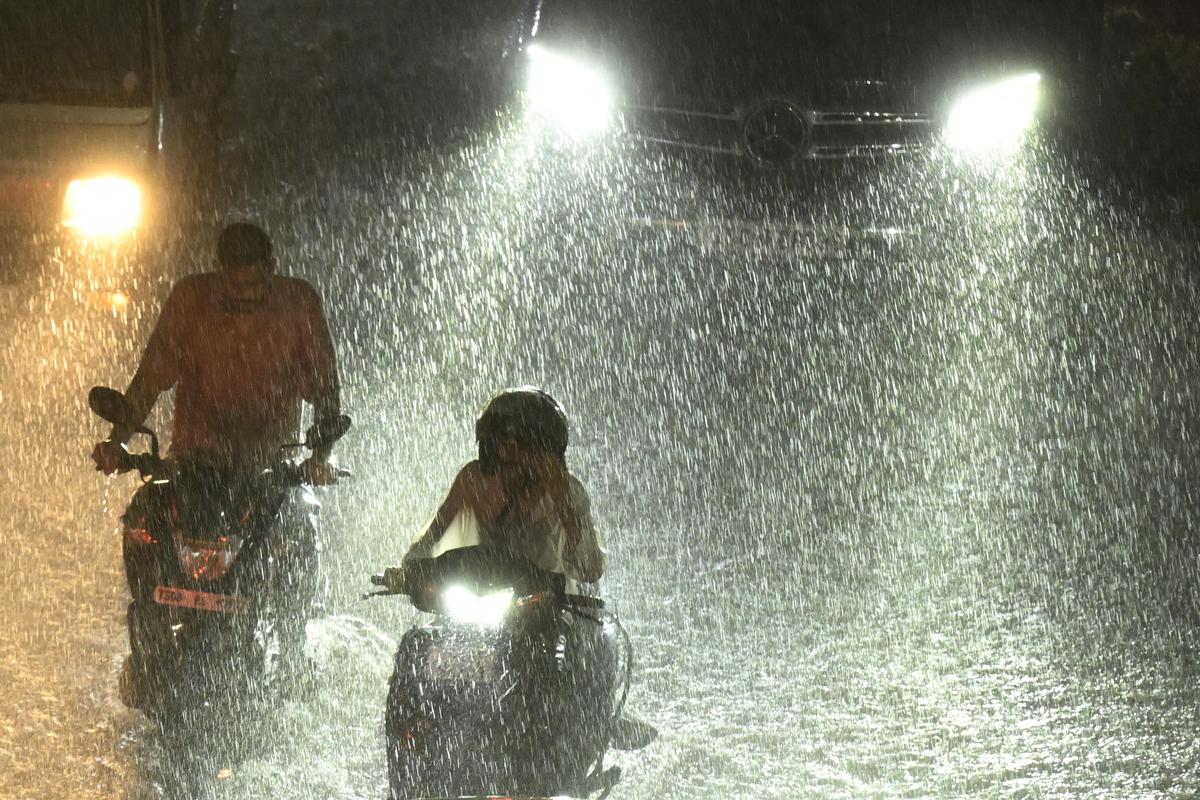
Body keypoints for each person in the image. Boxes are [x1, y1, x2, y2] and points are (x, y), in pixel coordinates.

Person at [92, 221, 344, 687]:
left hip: (270, 466)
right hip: (194, 461)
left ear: (272, 270)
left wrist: (319, 455)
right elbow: (148, 380)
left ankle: (290, 647)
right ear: (217, 271)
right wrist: (120, 442)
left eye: (255, 285)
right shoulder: (190, 301)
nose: (245, 296)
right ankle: (148, 630)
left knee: (298, 529)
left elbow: (328, 396)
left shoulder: (299, 304)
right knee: (144, 517)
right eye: (235, 285)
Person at [401, 387, 605, 588]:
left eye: (519, 449)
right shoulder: (473, 480)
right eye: (497, 447)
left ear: (546, 453)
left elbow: (590, 570)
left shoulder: (567, 491)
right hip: (479, 595)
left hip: (550, 607)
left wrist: (564, 502)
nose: (505, 454)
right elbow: (429, 539)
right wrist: (407, 571)